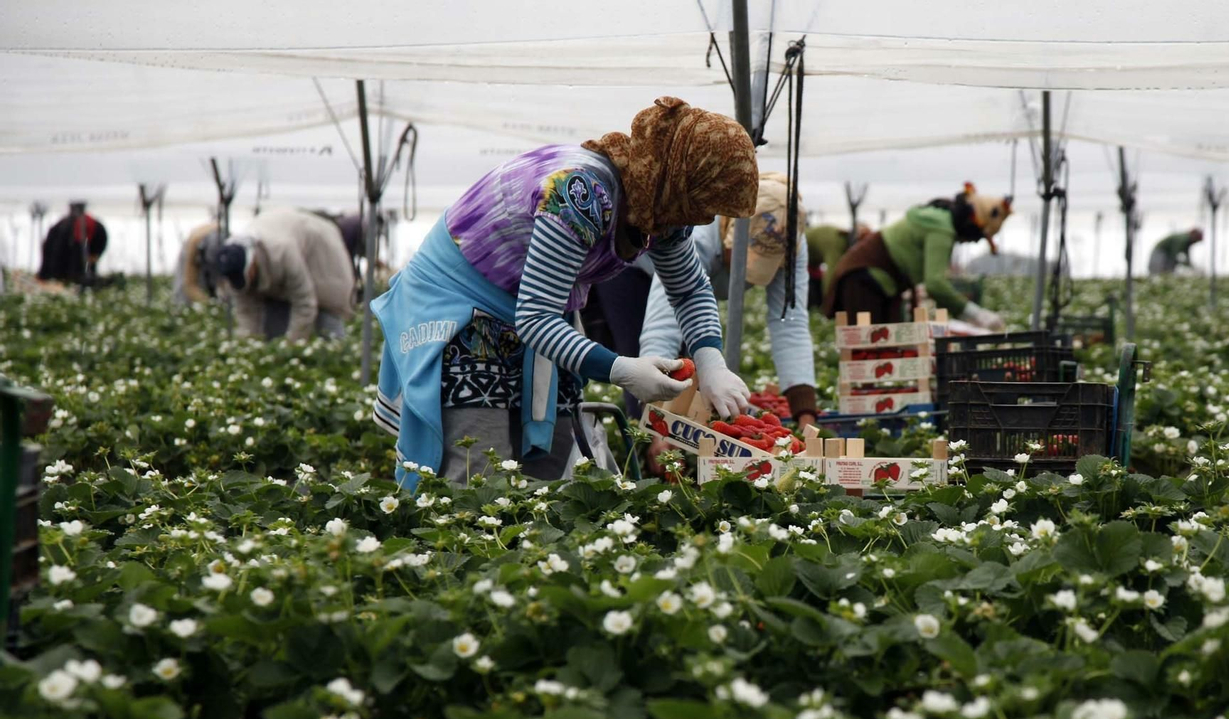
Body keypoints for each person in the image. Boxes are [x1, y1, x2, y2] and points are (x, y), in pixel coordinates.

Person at [371, 96, 758, 489]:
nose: (706, 218)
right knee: (476, 476)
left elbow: (689, 289)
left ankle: (538, 549)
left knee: (556, 471)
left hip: (532, 313)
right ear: (681, 176)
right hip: (462, 313)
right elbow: (536, 319)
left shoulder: (661, 207)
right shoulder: (578, 195)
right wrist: (621, 370)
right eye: (705, 202)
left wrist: (711, 363)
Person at [639, 172, 818, 426]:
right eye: (746, 259)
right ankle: (647, 445)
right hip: (636, 272)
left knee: (698, 376)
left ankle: (688, 444)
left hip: (693, 293)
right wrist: (655, 412)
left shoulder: (791, 243)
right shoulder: (697, 230)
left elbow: (791, 323)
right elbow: (664, 324)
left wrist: (805, 414)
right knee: (656, 371)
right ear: (729, 231)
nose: (747, 276)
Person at [823, 184, 1011, 329]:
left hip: (874, 279)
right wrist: (974, 313)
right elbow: (935, 283)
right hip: (865, 280)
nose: (971, 241)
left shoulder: (939, 219)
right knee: (869, 350)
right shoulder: (942, 230)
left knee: (886, 346)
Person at [214, 208, 358, 341]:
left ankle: (337, 355)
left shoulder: (283, 251)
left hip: (322, 253)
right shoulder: (232, 263)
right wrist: (248, 344)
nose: (245, 280)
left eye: (246, 275)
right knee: (274, 324)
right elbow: (245, 310)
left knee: (328, 315)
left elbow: (304, 303)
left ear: (251, 262)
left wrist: (292, 345)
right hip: (288, 241)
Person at [37, 202, 107, 286]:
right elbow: (51, 252)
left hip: (70, 269)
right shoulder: (61, 228)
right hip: (66, 269)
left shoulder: (61, 227)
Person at [172, 221, 223, 307]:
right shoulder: (193, 246)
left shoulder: (228, 243)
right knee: (184, 293)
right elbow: (189, 284)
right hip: (194, 253)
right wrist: (208, 303)